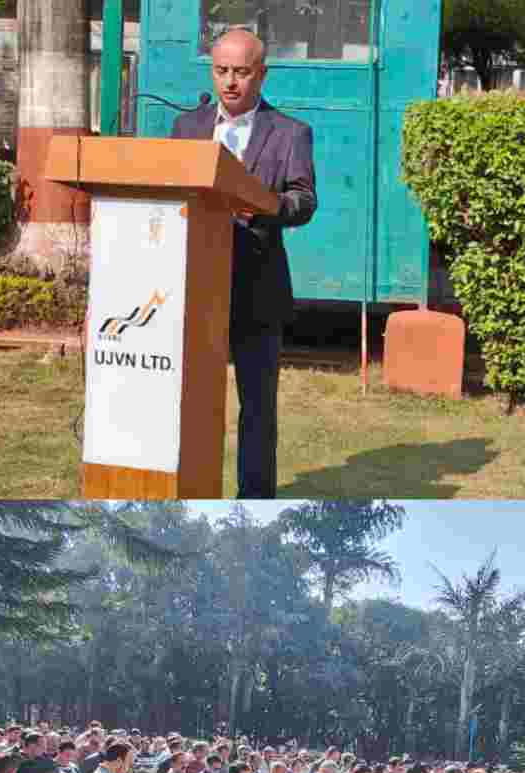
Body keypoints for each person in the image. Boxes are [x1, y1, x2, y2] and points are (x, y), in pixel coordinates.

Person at [169, 27, 318, 498]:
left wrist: (266, 206)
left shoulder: (290, 133)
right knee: (188, 402)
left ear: (262, 74)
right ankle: (189, 491)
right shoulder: (186, 127)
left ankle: (254, 500)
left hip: (258, 290)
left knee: (257, 409)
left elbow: (304, 200)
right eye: (221, 71)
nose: (230, 82)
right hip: (193, 289)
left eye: (241, 72)